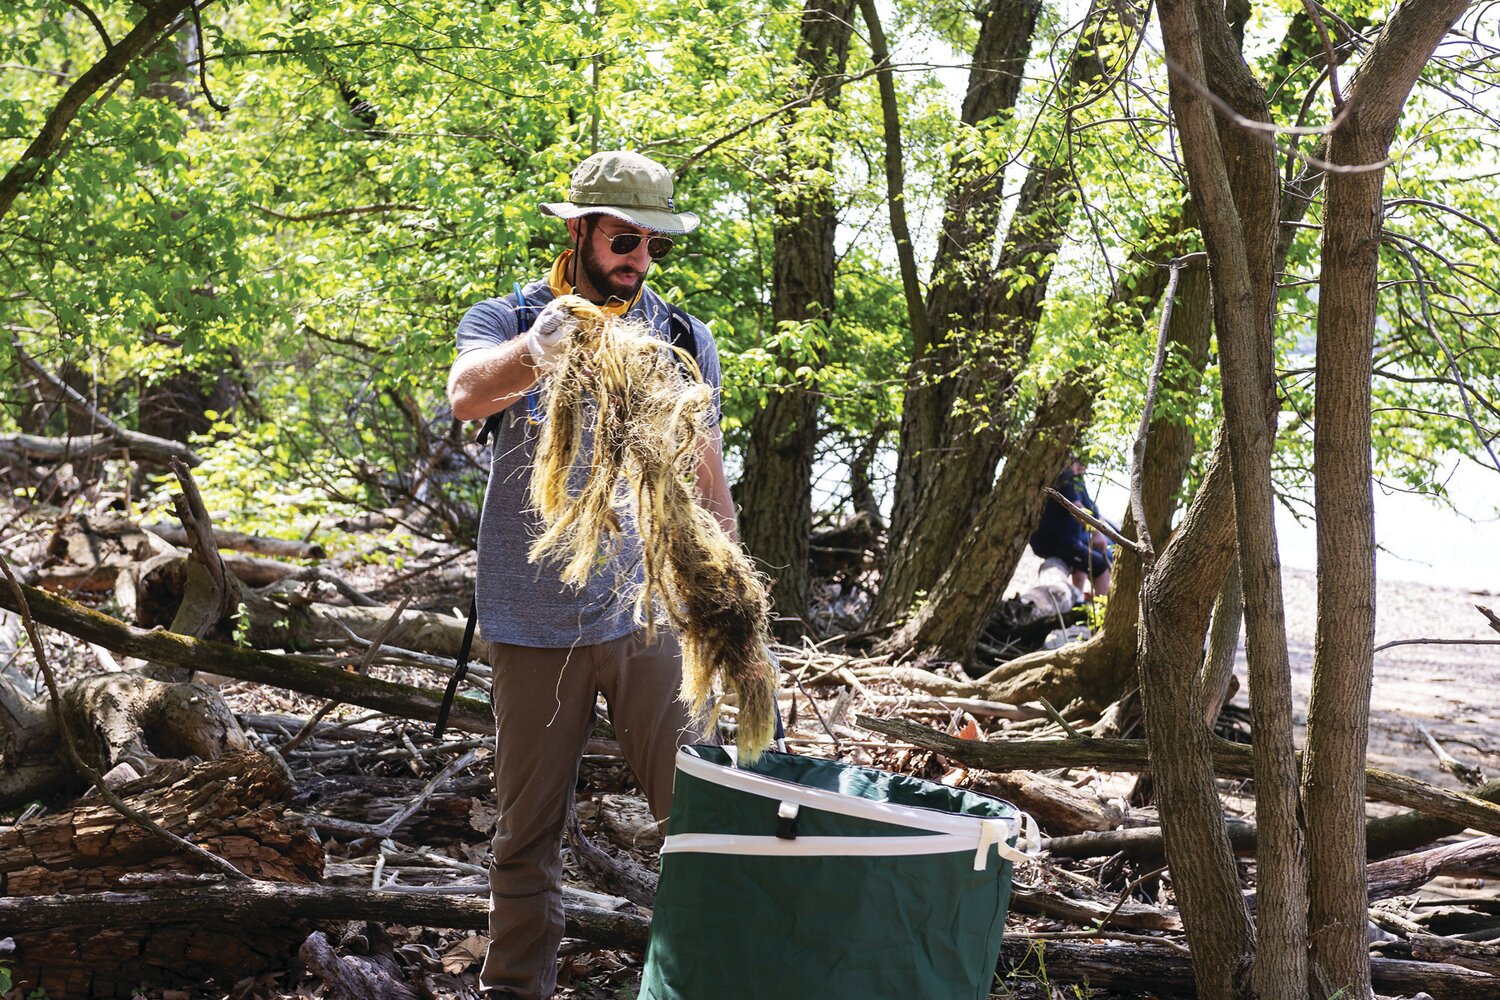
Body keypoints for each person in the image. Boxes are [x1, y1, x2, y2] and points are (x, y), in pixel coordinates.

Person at [447, 150, 734, 999]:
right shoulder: (506, 318)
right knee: (526, 836)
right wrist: (539, 349)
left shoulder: (682, 339)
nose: (637, 259)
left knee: (705, 818)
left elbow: (707, 479)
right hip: (534, 624)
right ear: (577, 233)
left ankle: (706, 982)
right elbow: (466, 392)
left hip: (651, 617)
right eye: (622, 239)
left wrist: (737, 619)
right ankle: (514, 990)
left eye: (653, 244)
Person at [1030, 455, 1112, 599]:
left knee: (1083, 564)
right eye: (1078, 462)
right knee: (1100, 567)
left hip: (1063, 540)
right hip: (1057, 541)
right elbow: (1077, 510)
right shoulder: (1065, 479)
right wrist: (1096, 533)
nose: (1081, 467)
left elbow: (1090, 508)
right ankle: (1102, 615)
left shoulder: (1076, 481)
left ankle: (1077, 602)